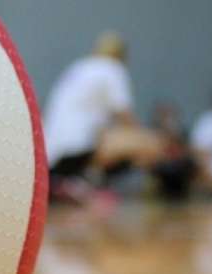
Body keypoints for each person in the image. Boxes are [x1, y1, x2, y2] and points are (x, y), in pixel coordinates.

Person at [43, 31, 140, 201]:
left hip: (51, 155)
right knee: (145, 144)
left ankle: (72, 181)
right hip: (78, 151)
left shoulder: (79, 67)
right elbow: (125, 117)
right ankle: (90, 180)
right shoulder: (113, 69)